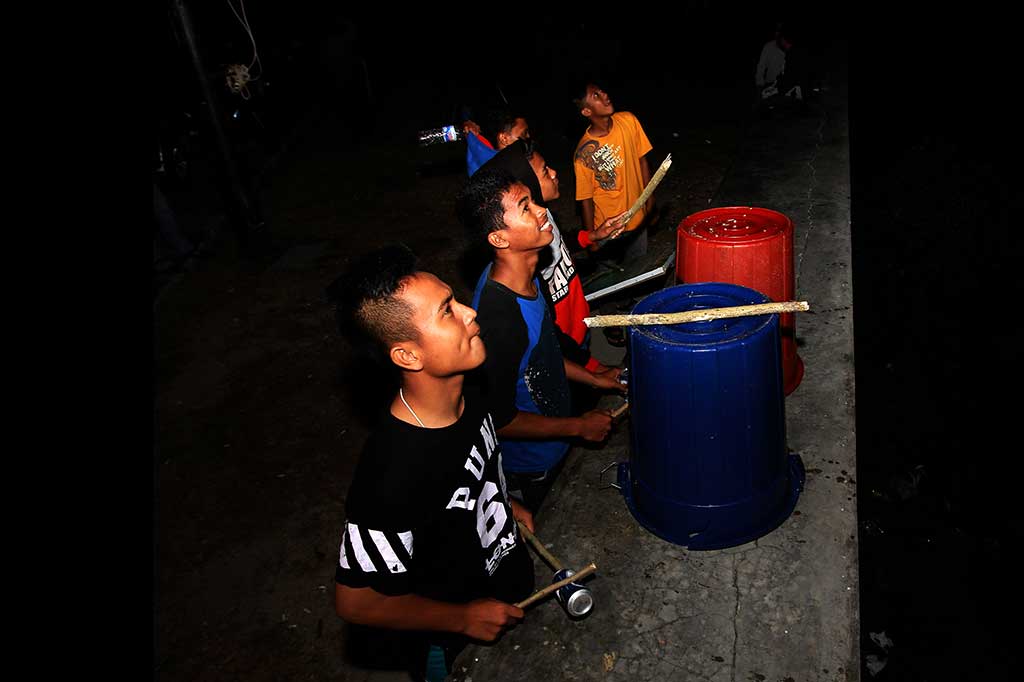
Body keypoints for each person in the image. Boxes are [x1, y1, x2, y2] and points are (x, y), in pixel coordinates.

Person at [328, 244, 535, 682]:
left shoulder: (466, 389)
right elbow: (356, 601)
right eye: (447, 312)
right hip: (454, 642)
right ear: (407, 355)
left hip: (505, 583)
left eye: (455, 299)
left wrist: (502, 505)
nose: (470, 313)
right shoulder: (391, 473)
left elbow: (470, 474)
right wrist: (461, 619)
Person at [456, 169, 626, 512]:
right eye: (525, 208)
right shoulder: (498, 319)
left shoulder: (530, 279)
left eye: (533, 201)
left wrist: (594, 377)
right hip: (535, 464)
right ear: (499, 239)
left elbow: (539, 357)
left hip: (558, 436)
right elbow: (500, 418)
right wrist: (578, 427)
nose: (542, 211)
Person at [475, 138, 625, 374]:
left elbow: (560, 240)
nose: (554, 173)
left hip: (578, 323)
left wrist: (592, 236)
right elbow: (549, 337)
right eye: (545, 171)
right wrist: (590, 368)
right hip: (564, 344)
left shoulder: (543, 222)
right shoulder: (527, 259)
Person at [572, 83, 654, 263]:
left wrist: (649, 199)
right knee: (613, 282)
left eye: (601, 91)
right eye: (596, 96)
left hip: (636, 217)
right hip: (606, 228)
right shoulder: (583, 154)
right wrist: (591, 238)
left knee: (639, 271)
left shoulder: (629, 120)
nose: (604, 95)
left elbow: (642, 160)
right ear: (586, 112)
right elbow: (585, 200)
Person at [464, 108, 531, 176]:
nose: (528, 136)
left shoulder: (484, 155)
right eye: (524, 134)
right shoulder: (502, 166)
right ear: (504, 138)